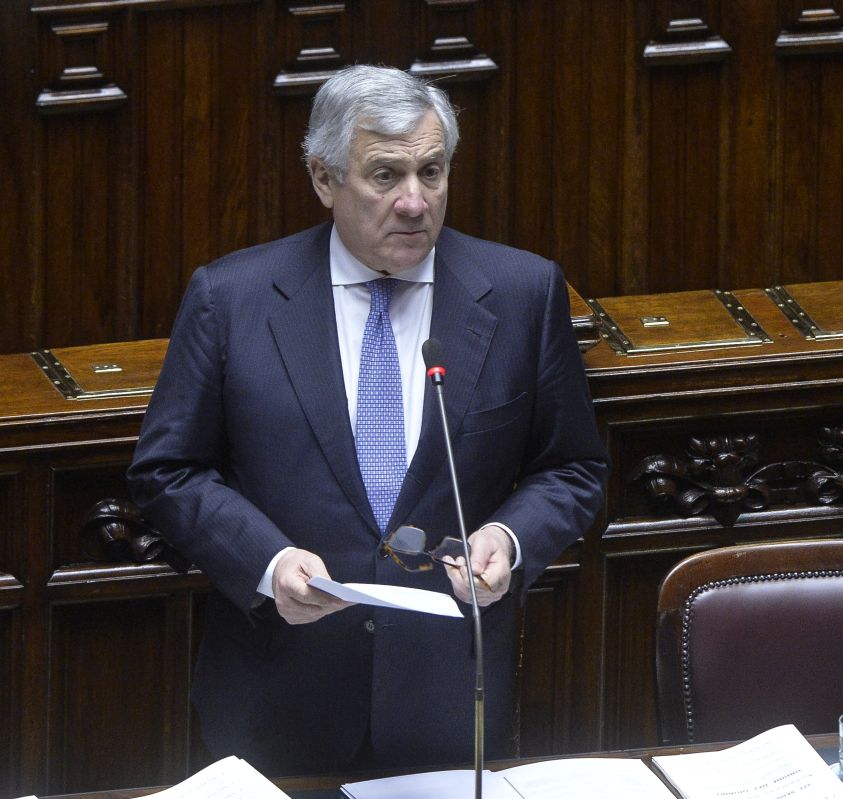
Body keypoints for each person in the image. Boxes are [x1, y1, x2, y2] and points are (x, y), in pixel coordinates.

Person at [126, 64, 608, 776]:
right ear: (324, 179)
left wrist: (509, 538)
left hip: (446, 702)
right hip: (279, 698)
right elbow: (168, 470)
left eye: (431, 172)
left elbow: (572, 467)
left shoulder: (522, 292)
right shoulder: (232, 298)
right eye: (385, 176)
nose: (415, 202)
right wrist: (268, 563)